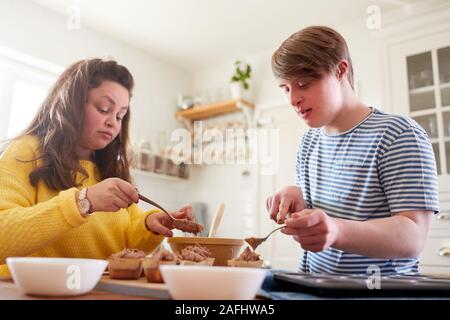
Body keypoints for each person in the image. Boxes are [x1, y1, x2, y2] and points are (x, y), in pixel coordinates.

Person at [266, 26, 439, 275]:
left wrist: (337, 231)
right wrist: (297, 197)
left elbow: (414, 237)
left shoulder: (398, 134)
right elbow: (322, 220)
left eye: (303, 83)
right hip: (315, 288)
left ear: (340, 70)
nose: (293, 99)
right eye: (286, 89)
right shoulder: (308, 143)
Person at [0, 58, 192, 277]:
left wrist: (149, 224)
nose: (113, 122)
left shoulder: (108, 168)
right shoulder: (25, 153)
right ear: (71, 104)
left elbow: (126, 237)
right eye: (103, 109)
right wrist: (83, 202)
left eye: (120, 115)